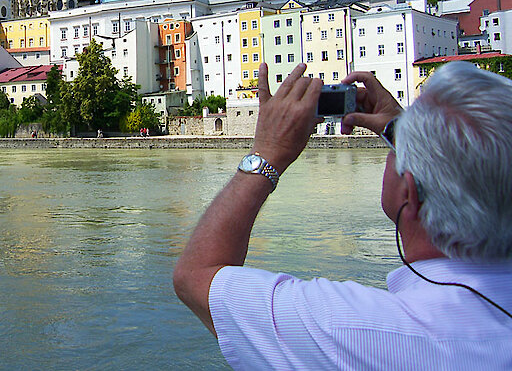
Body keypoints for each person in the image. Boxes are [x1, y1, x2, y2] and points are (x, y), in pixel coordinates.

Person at [174, 61, 512, 369]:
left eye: (396, 150)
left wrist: (267, 151)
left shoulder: (355, 331)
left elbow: (195, 277)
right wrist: (401, 130)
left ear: (409, 193)